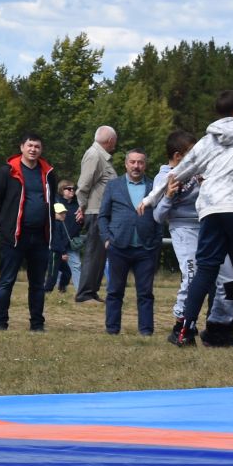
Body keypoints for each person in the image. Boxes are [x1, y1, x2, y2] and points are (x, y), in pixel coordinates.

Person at [140, 90, 233, 347]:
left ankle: (184, 332)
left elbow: (180, 171)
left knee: (205, 269)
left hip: (211, 209)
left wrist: (149, 199)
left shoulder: (206, 141)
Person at [154, 129, 233, 342]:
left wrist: (208, 186)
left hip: (209, 227)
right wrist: (168, 197)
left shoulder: (200, 173)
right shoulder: (164, 178)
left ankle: (217, 328)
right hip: (183, 229)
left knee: (230, 280)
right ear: (178, 156)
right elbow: (158, 216)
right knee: (192, 277)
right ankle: (181, 327)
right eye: (194, 153)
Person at [0, 133, 57, 331]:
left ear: (41, 150)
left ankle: (37, 324)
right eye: (30, 146)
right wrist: (4, 226)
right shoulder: (7, 172)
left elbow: (52, 203)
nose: (33, 149)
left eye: (37, 146)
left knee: (37, 284)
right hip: (15, 237)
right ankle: (0, 323)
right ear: (22, 147)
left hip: (40, 237)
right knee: (6, 281)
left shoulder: (48, 173)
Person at [99, 150, 160, 336]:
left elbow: (160, 216)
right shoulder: (113, 186)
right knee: (115, 291)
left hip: (146, 249)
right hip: (118, 247)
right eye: (132, 162)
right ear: (126, 164)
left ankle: (146, 331)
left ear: (145, 165)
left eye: (140, 162)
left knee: (145, 294)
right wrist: (107, 239)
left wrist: (156, 241)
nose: (136, 166)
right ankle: (112, 330)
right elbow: (102, 216)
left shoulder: (154, 186)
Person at [74, 126, 117, 302]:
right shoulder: (94, 155)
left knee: (100, 254)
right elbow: (83, 185)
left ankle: (91, 291)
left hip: (102, 211)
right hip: (96, 211)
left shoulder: (100, 156)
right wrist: (81, 207)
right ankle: (84, 294)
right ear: (110, 141)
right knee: (94, 253)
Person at [45, 182, 80, 295]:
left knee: (69, 271)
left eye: (73, 189)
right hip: (56, 251)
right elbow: (56, 240)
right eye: (68, 188)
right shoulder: (55, 223)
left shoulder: (76, 205)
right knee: (53, 272)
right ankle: (47, 290)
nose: (71, 191)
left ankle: (63, 288)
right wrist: (63, 252)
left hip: (65, 246)